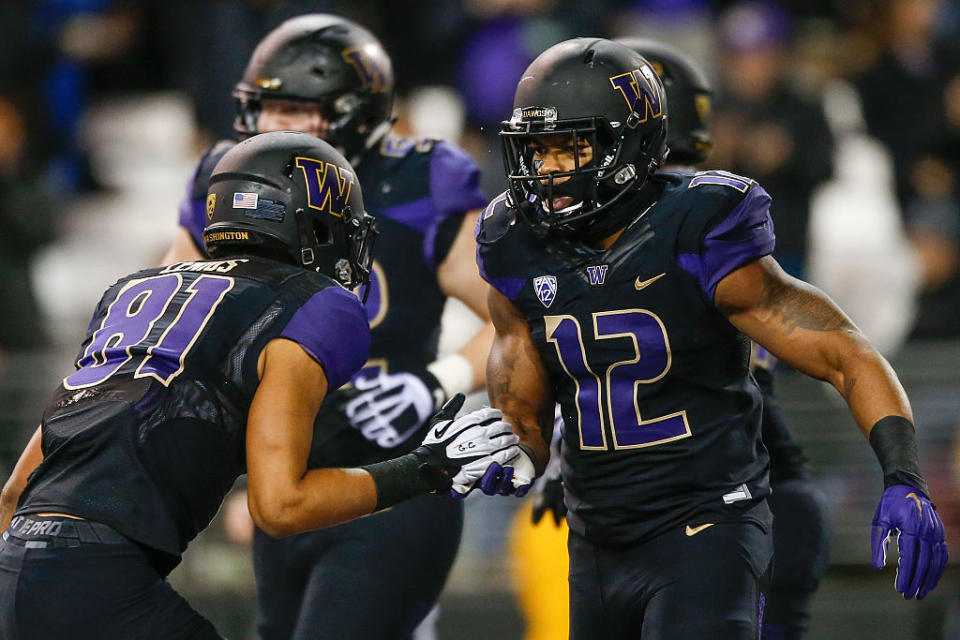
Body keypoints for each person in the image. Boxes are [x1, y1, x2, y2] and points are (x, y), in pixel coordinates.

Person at [472, 38, 947, 639]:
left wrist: (903, 473)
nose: (547, 170)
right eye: (538, 150)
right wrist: (512, 448)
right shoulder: (516, 242)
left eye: (571, 148)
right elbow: (522, 408)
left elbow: (844, 352)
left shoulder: (698, 227)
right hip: (595, 536)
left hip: (705, 526)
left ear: (628, 144)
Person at [0, 131, 520, 640]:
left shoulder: (131, 290)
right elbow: (280, 506)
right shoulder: (311, 302)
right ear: (313, 226)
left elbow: (15, 493)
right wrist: (425, 469)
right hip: (99, 578)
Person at [161, 14, 493, 639]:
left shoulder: (420, 180)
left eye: (294, 108)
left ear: (353, 114)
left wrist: (437, 379)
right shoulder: (228, 180)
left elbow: (515, 316)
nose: (274, 126)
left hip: (390, 481)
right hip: (288, 491)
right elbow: (170, 320)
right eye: (269, 107)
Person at [508, 38, 832, 640]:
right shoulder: (578, 226)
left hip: (730, 504)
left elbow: (699, 380)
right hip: (658, 513)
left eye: (576, 146)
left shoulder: (700, 221)